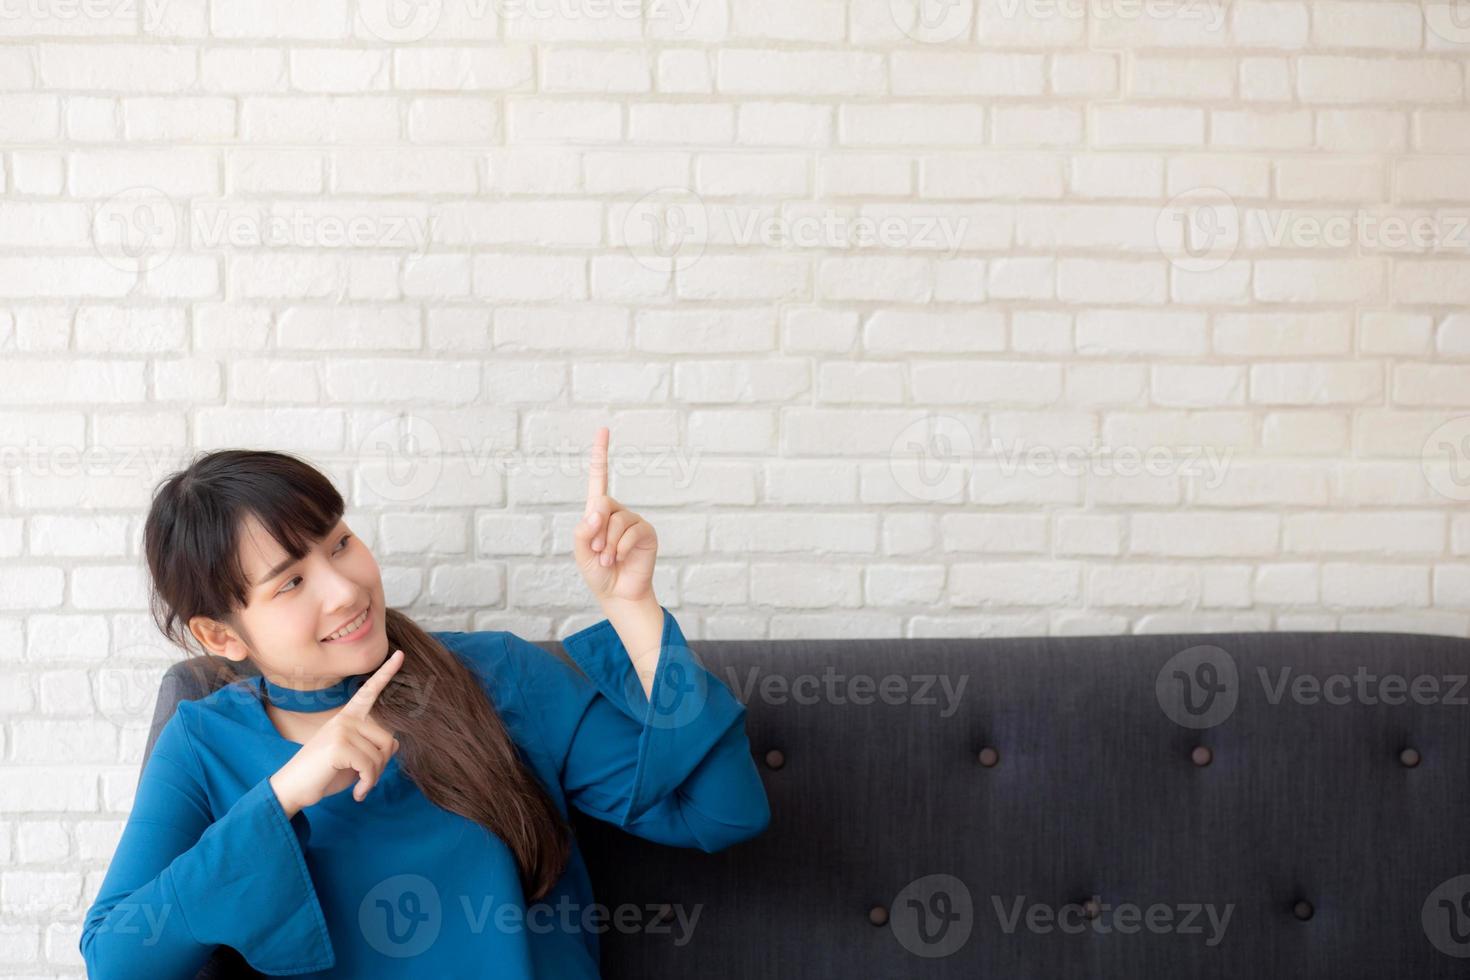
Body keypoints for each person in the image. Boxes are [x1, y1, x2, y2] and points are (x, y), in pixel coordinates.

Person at [79, 426, 771, 978]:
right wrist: (283, 795)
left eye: (341, 543)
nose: (346, 589)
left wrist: (634, 608)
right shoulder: (203, 745)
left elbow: (722, 812)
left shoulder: (498, 675)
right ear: (219, 634)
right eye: (291, 583)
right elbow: (116, 958)